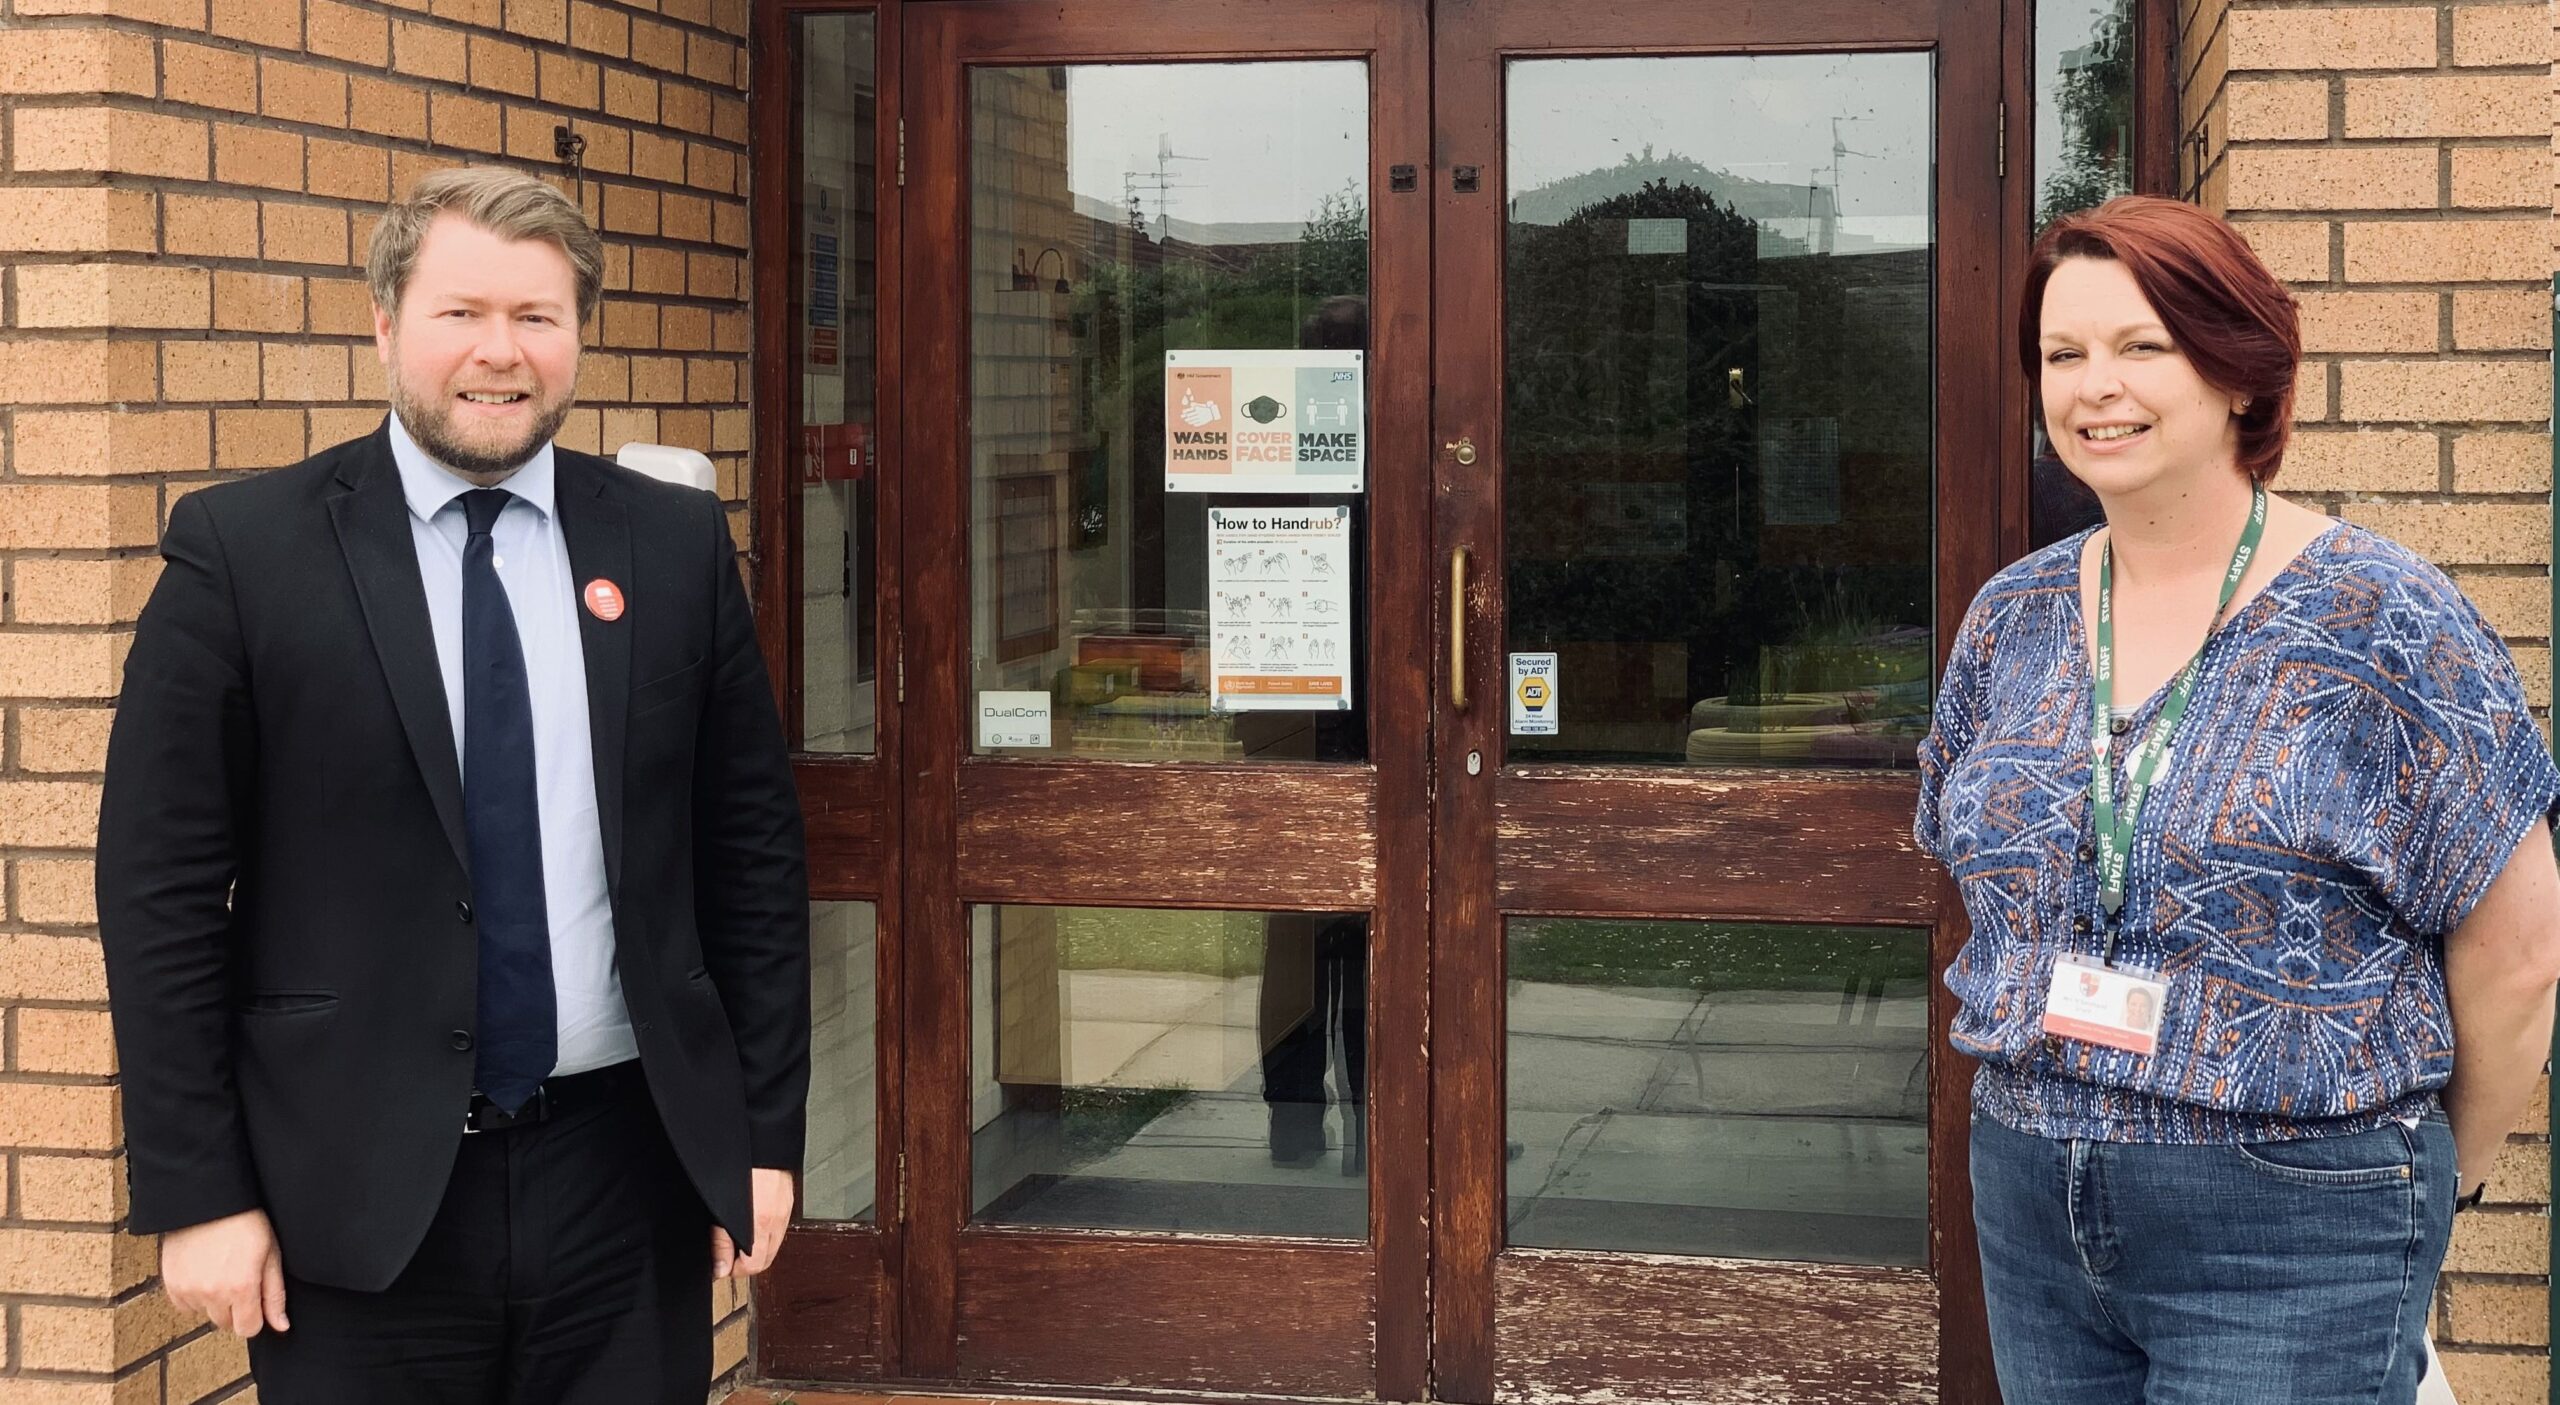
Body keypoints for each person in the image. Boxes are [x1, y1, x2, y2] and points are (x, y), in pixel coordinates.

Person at [96, 167, 810, 1402]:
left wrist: (757, 1137)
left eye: (538, 316)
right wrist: (199, 1190)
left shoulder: (674, 547)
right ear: (384, 325)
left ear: (578, 333)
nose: (503, 353)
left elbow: (750, 857)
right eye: (461, 313)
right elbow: (155, 891)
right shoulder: (244, 553)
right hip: (350, 1199)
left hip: (624, 1180)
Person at [1916, 195, 2560, 1403]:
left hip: (2292, 1221)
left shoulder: (2384, 618)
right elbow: (1982, 867)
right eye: (2062, 355)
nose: (2092, 386)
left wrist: (2435, 1181)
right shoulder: (2013, 618)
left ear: (2238, 371)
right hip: (2031, 1195)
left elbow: (2518, 950)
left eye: (2139, 346)